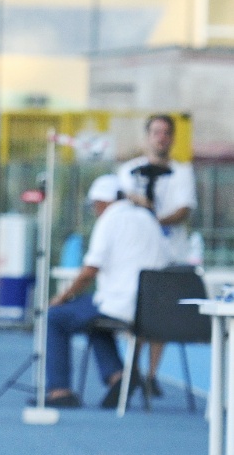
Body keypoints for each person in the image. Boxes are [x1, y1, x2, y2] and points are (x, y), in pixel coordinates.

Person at [42, 174, 168, 409]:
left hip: (119, 305)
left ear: (102, 202)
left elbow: (90, 270)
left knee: (57, 317)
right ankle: (117, 376)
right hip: (149, 309)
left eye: (94, 206)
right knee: (93, 318)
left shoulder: (110, 219)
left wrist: (63, 297)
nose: (94, 211)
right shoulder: (149, 219)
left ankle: (59, 390)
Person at [115, 113, 196, 397]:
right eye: (156, 132)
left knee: (159, 320)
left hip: (169, 257)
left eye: (166, 133)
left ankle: (151, 375)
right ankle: (131, 372)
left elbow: (183, 209)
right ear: (147, 136)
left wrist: (152, 221)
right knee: (135, 317)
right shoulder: (129, 171)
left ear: (172, 138)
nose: (161, 138)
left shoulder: (182, 172)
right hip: (136, 259)